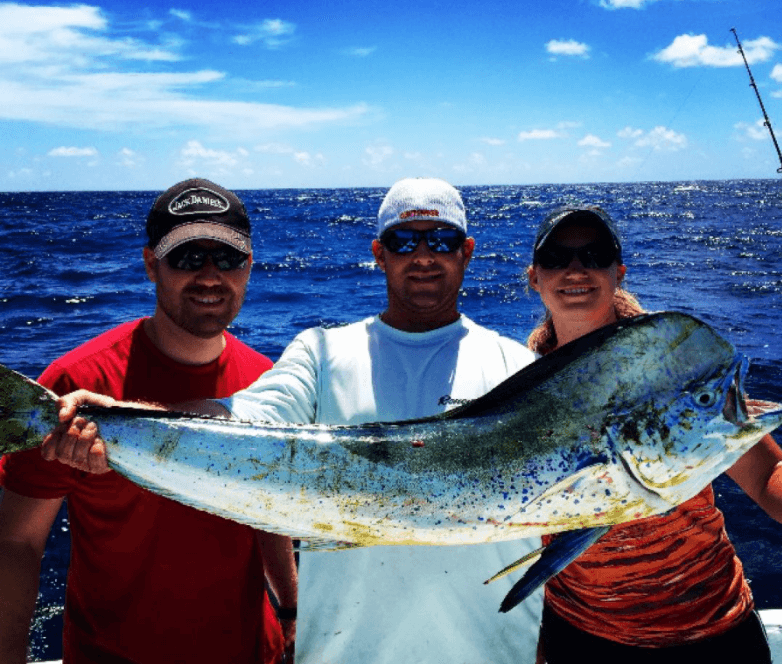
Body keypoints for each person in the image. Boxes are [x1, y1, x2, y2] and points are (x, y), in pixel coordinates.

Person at [46, 178, 545, 663]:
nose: (423, 257)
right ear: (378, 252)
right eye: (403, 241)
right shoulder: (321, 353)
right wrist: (117, 419)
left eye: (441, 240)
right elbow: (240, 421)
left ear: (468, 251)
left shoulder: (522, 372)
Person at [0, 178, 298, 664]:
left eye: (227, 258)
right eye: (185, 258)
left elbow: (267, 509)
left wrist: (289, 606)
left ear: (249, 268)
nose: (208, 276)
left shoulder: (268, 382)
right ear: (150, 265)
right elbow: (16, 541)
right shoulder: (78, 381)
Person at [526, 204, 782, 664]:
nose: (576, 269)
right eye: (557, 258)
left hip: (714, 629)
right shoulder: (519, 387)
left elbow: (768, 474)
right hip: (582, 635)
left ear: (618, 272)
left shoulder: (678, 372)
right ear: (534, 277)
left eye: (594, 254)